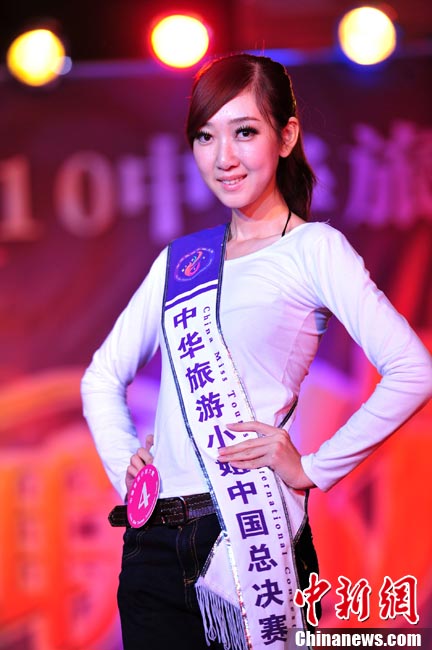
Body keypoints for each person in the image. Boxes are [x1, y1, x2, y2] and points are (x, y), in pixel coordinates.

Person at [81, 53, 432, 650]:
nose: (224, 157)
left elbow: (412, 371)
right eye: (205, 136)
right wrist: (128, 473)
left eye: (244, 132)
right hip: (155, 545)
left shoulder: (313, 249)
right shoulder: (181, 262)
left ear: (286, 136)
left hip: (251, 531)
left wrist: (313, 468)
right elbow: (101, 377)